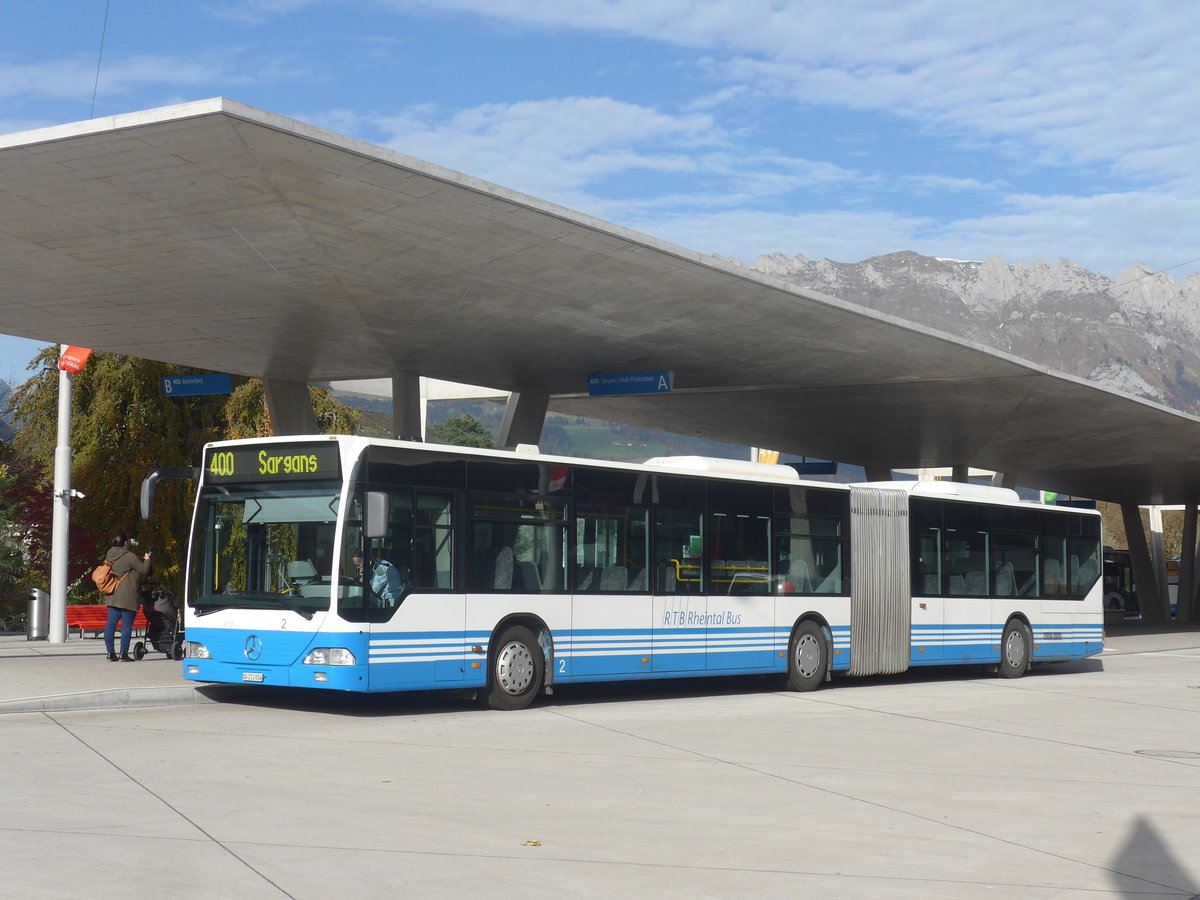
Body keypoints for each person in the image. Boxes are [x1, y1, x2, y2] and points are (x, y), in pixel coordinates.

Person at [103, 532, 152, 662]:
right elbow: (144, 570)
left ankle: (110, 653)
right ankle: (124, 653)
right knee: (126, 626)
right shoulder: (130, 556)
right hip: (128, 596)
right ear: (125, 543)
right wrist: (147, 558)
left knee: (110, 625)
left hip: (112, 593)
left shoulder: (110, 553)